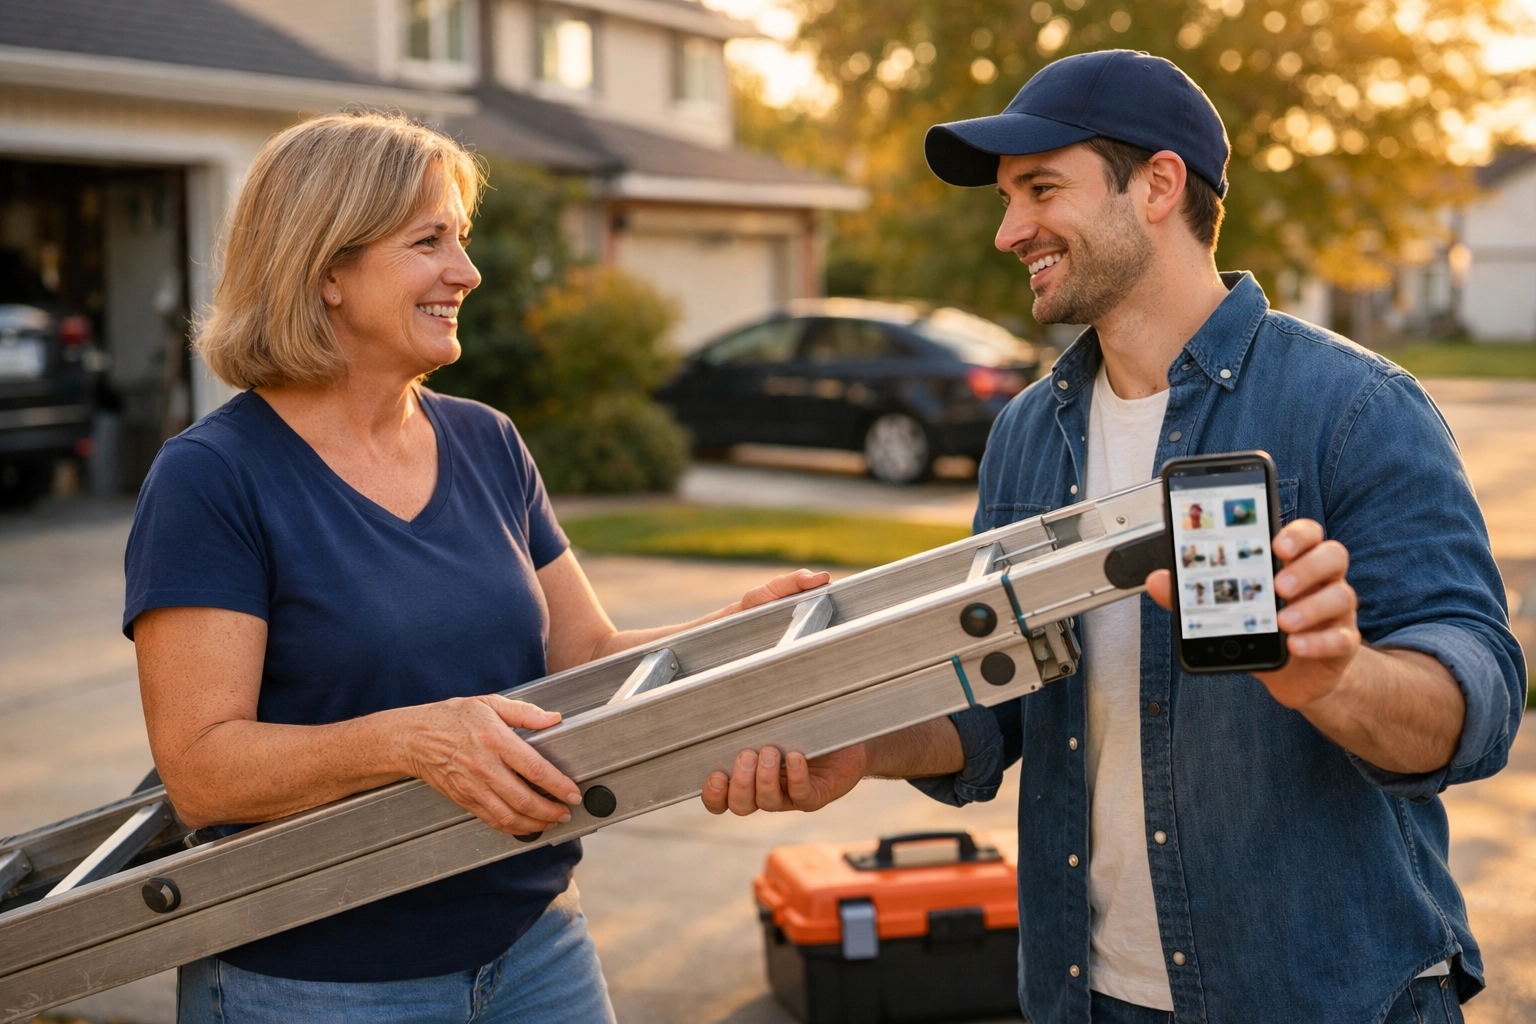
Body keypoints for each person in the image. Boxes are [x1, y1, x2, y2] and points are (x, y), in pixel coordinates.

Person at [702, 50, 1525, 1024]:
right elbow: (997, 704)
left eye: (1041, 189)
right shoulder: (1026, 435)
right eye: (1006, 200)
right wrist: (863, 745)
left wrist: (1336, 678)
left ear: (1159, 186)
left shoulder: (1352, 407)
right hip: (1086, 997)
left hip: (1322, 993)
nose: (1010, 231)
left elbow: (1478, 698)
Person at [125, 112, 826, 1024]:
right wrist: (411, 740)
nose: (468, 271)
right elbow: (204, 770)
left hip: (535, 947)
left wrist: (739, 622)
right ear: (327, 269)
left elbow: (586, 656)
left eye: (462, 239)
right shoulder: (213, 477)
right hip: (313, 980)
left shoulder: (486, 440)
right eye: (430, 242)